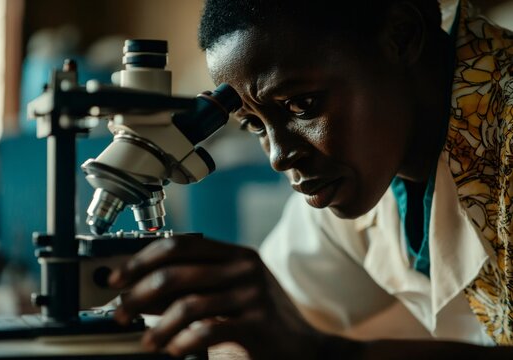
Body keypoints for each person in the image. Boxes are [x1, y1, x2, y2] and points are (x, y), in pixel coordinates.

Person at [108, 0, 513, 357]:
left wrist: (324, 352)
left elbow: (299, 343)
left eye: (301, 104)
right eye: (254, 124)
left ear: (401, 37)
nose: (280, 157)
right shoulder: (365, 168)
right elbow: (269, 320)